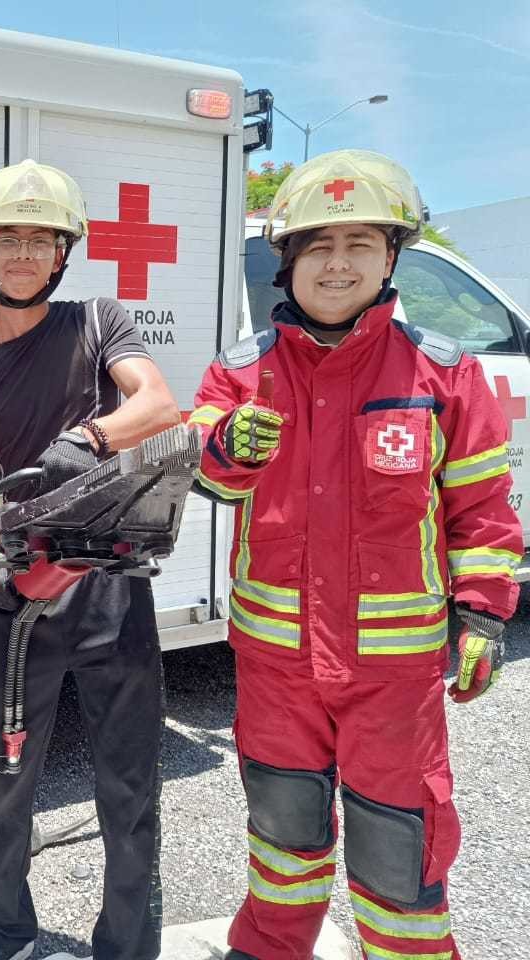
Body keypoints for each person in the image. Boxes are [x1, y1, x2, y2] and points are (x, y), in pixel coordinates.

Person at [190, 149, 519, 960]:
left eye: (360, 243)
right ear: (289, 261)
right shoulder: (240, 373)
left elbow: (481, 512)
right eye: (319, 244)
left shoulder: (445, 376)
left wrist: (482, 614)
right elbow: (206, 479)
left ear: (391, 258)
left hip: (392, 676)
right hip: (276, 665)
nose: (338, 263)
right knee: (281, 836)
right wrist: (230, 447)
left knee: (396, 851)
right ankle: (268, 949)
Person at [0, 159, 181, 960]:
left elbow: (158, 402)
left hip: (110, 588)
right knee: (3, 787)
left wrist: (89, 440)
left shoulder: (98, 323)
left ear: (64, 252)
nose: (25, 253)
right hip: (20, 601)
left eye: (42, 238)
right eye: (8, 239)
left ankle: (127, 946)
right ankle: (5, 933)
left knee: (129, 788)